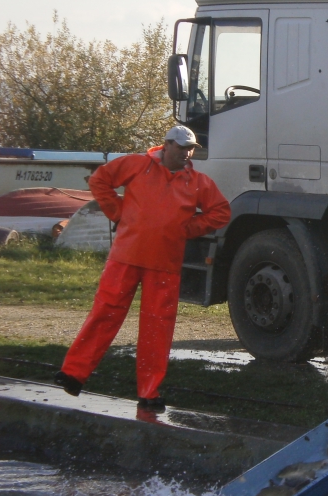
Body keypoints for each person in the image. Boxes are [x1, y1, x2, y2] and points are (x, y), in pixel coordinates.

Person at [54, 125, 230, 411]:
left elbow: (221, 212)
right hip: (125, 256)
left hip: (164, 264)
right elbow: (100, 180)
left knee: (156, 329)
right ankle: (73, 374)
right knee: (104, 314)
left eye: (191, 149)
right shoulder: (136, 165)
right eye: (182, 148)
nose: (186, 154)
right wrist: (118, 213)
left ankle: (149, 392)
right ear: (166, 145)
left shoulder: (198, 182)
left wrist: (187, 229)